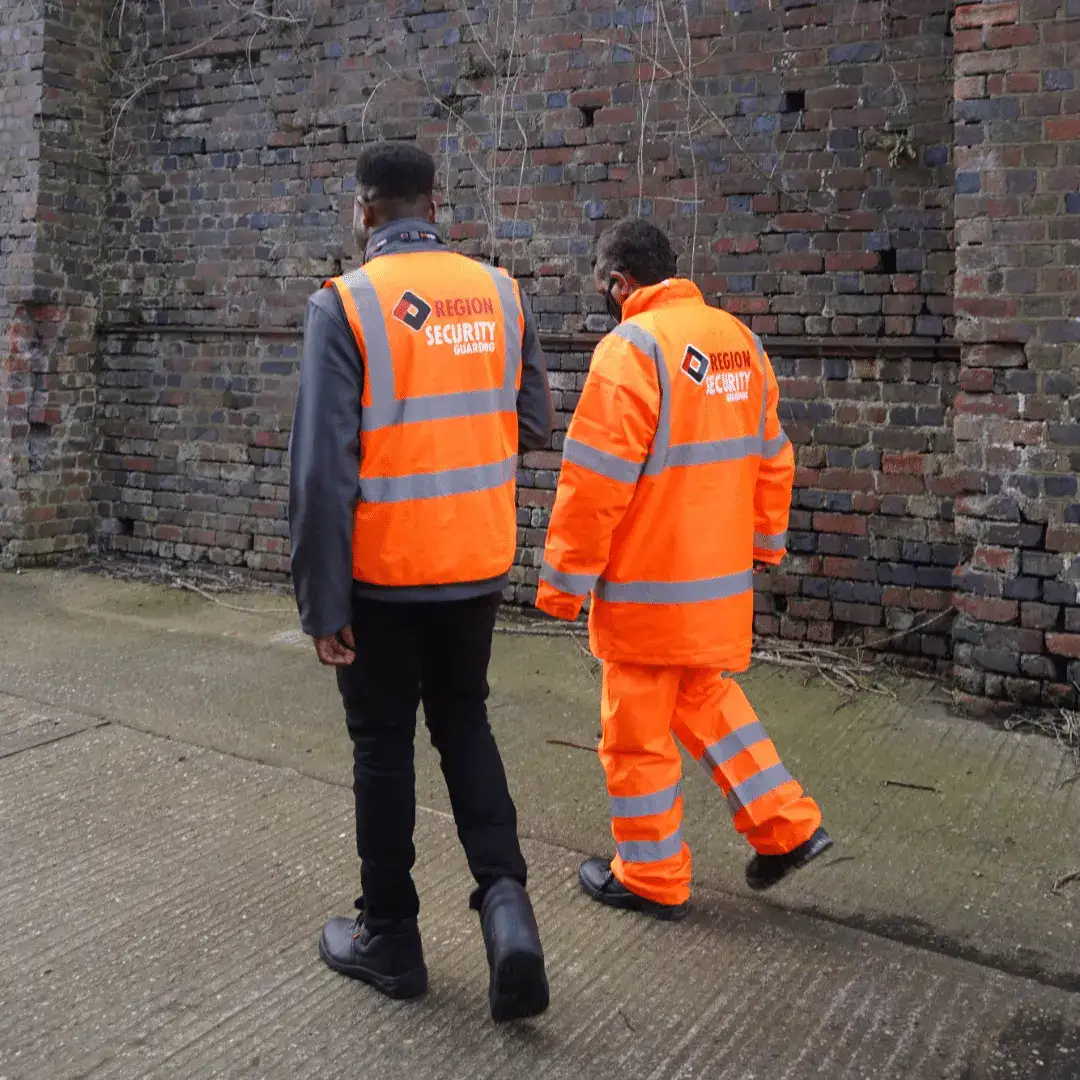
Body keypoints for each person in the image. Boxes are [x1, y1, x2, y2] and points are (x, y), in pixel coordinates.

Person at [289, 141, 554, 1021]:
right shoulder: (503, 294)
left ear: (366, 211)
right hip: (473, 566)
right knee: (464, 723)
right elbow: (530, 425)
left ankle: (391, 940)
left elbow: (323, 472)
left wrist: (321, 602)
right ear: (435, 204)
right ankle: (507, 910)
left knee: (382, 747)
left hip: (383, 575)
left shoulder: (347, 306)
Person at [535, 218, 832, 920]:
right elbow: (773, 456)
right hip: (717, 586)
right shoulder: (740, 342)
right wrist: (764, 544)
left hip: (647, 590)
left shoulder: (632, 349)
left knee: (634, 737)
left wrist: (563, 584)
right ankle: (788, 827)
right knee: (707, 702)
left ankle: (650, 876)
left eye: (602, 286)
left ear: (620, 282)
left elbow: (596, 480)